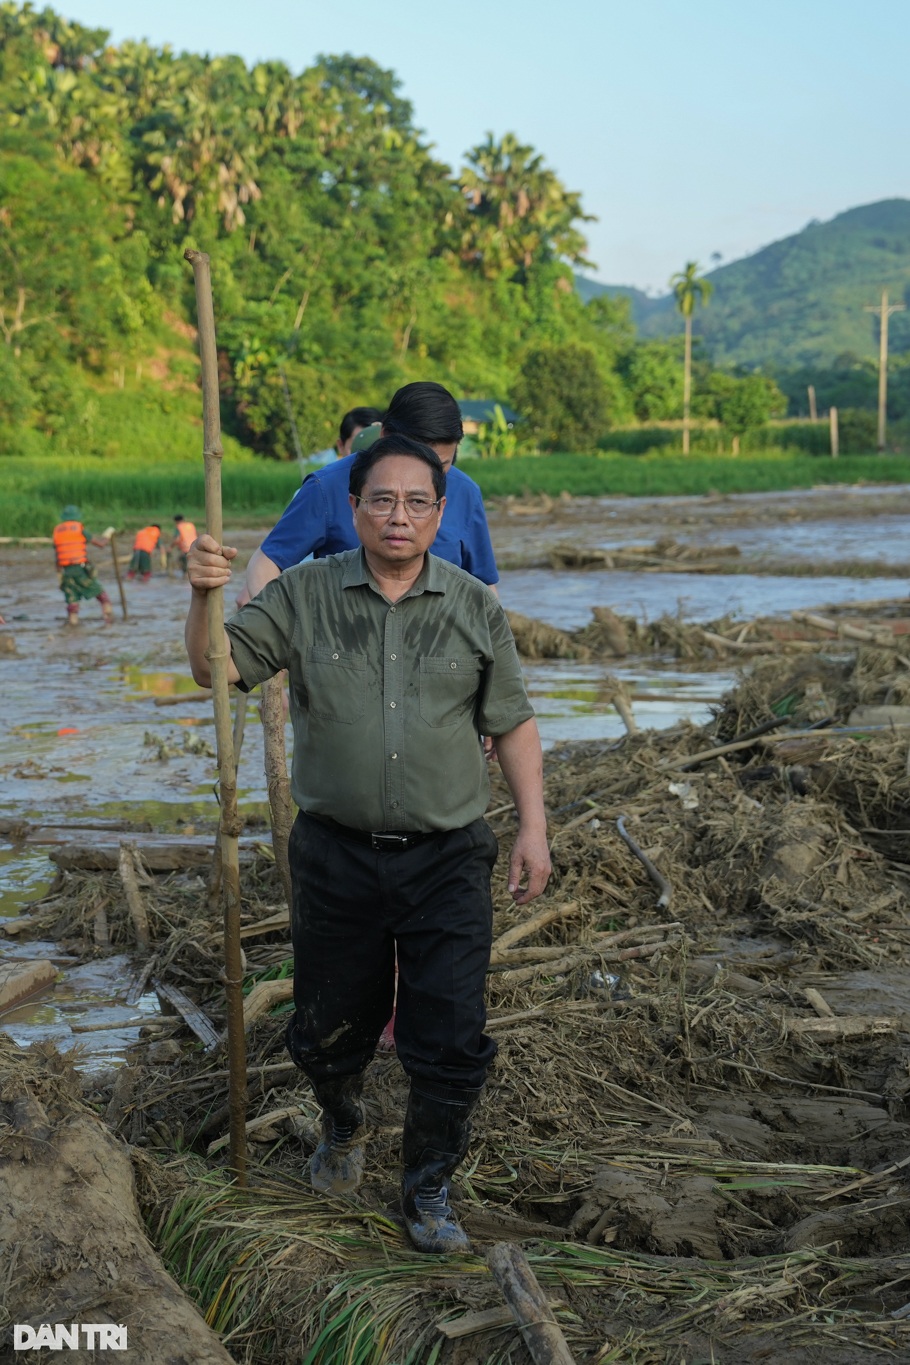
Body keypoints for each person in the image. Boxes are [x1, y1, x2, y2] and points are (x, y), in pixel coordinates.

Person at [185, 435, 550, 1255]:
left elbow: (514, 721)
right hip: (336, 853)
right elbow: (218, 669)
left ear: (440, 513)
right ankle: (341, 1119)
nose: (399, 515)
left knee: (451, 1034)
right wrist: (204, 594)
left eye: (417, 501)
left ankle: (427, 1187)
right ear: (352, 508)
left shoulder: (472, 605)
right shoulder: (307, 595)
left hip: (448, 855)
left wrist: (533, 825)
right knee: (326, 1028)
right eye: (381, 499)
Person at [241, 382, 498, 604]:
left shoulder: (466, 493)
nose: (423, 479)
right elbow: (266, 564)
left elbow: (484, 588)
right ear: (385, 435)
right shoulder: (326, 488)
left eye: (440, 466)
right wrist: (284, 632)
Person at [52, 506, 115, 627]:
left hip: (66, 571)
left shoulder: (57, 530)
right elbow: (101, 544)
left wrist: (59, 574)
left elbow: (57, 555)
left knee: (72, 599)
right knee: (101, 594)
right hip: (80, 569)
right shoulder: (79, 528)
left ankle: (73, 624)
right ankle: (109, 619)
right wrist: (108, 535)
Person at [310, 405, 385, 467]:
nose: (367, 455)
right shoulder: (323, 483)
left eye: (374, 446)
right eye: (357, 446)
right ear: (341, 446)